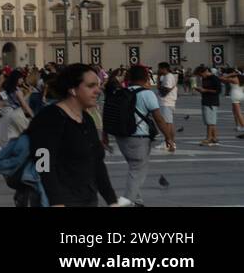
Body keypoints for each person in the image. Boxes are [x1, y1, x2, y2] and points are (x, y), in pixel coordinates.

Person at [27, 63, 119, 207]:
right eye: (91, 86)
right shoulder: (50, 117)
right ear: (73, 90)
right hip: (59, 200)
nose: (98, 90)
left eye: (98, 85)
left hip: (87, 198)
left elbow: (97, 163)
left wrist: (112, 200)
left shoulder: (86, 119)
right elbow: (43, 163)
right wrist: (56, 201)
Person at [110, 64, 174, 206]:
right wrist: (168, 137)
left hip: (121, 137)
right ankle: (126, 201)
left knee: (134, 169)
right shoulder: (147, 94)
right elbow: (158, 118)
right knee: (137, 170)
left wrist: (105, 137)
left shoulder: (122, 92)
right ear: (146, 77)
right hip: (138, 138)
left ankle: (137, 201)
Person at [195, 65, 221, 145]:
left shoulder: (214, 78)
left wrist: (205, 90)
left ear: (206, 71)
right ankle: (214, 138)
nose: (201, 76)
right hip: (205, 100)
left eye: (201, 74)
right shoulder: (204, 78)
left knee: (210, 121)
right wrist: (200, 90)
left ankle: (209, 138)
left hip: (211, 102)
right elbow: (205, 90)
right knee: (210, 121)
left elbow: (218, 91)